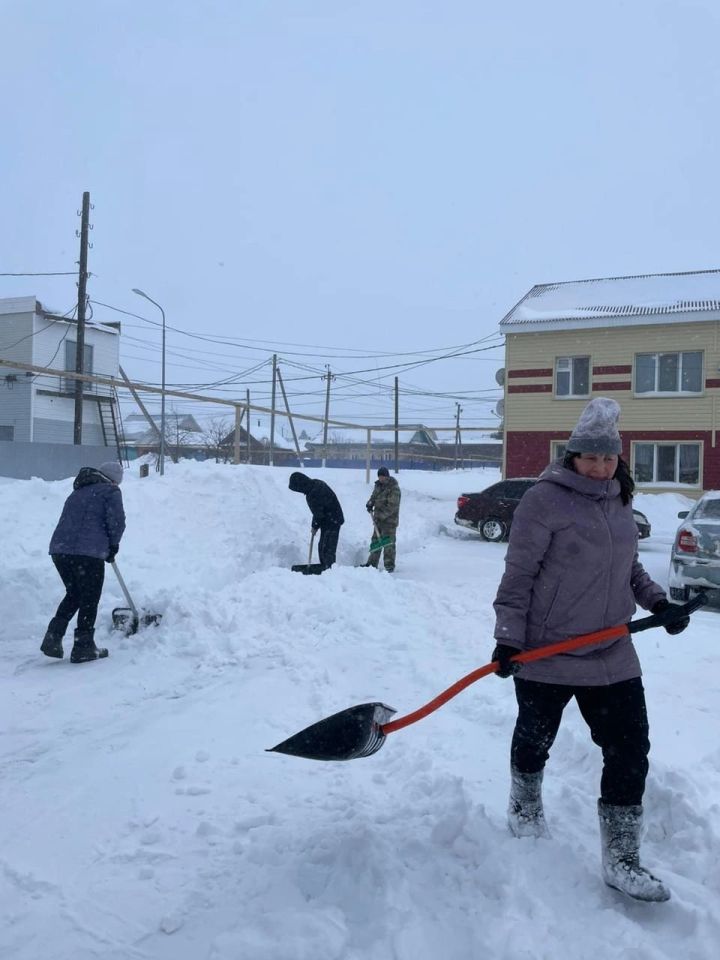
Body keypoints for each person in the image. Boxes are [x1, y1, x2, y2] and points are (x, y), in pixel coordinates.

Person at [491, 398, 689, 903]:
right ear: (572, 455)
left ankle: (622, 857)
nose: (600, 467)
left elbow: (629, 570)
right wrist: (509, 636)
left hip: (612, 650)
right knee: (536, 739)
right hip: (548, 650)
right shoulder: (544, 500)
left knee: (629, 750)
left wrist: (659, 602)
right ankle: (525, 806)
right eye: (591, 457)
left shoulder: (620, 499)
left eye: (609, 458)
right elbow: (519, 576)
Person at [41, 461, 126, 664]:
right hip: (87, 553)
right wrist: (113, 546)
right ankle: (83, 646)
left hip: (60, 551)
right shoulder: (110, 491)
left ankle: (53, 637)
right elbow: (116, 521)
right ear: (114, 479)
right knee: (89, 598)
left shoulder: (78, 492)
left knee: (75, 594)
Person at [288, 472, 344, 570]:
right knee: (324, 545)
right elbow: (318, 511)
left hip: (332, 520)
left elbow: (318, 514)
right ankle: (326, 566)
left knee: (327, 546)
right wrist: (315, 525)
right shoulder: (316, 483)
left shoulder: (312, 494)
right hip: (332, 517)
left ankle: (329, 568)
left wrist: (314, 526)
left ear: (300, 486)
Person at [365, 466, 401, 571]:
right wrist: (370, 503)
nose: (381, 479)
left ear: (387, 476)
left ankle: (389, 566)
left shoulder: (394, 488)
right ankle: (371, 564)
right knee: (375, 542)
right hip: (378, 521)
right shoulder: (378, 486)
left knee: (388, 543)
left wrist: (381, 516)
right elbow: (374, 496)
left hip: (389, 522)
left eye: (383, 476)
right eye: (379, 476)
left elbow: (392, 507)